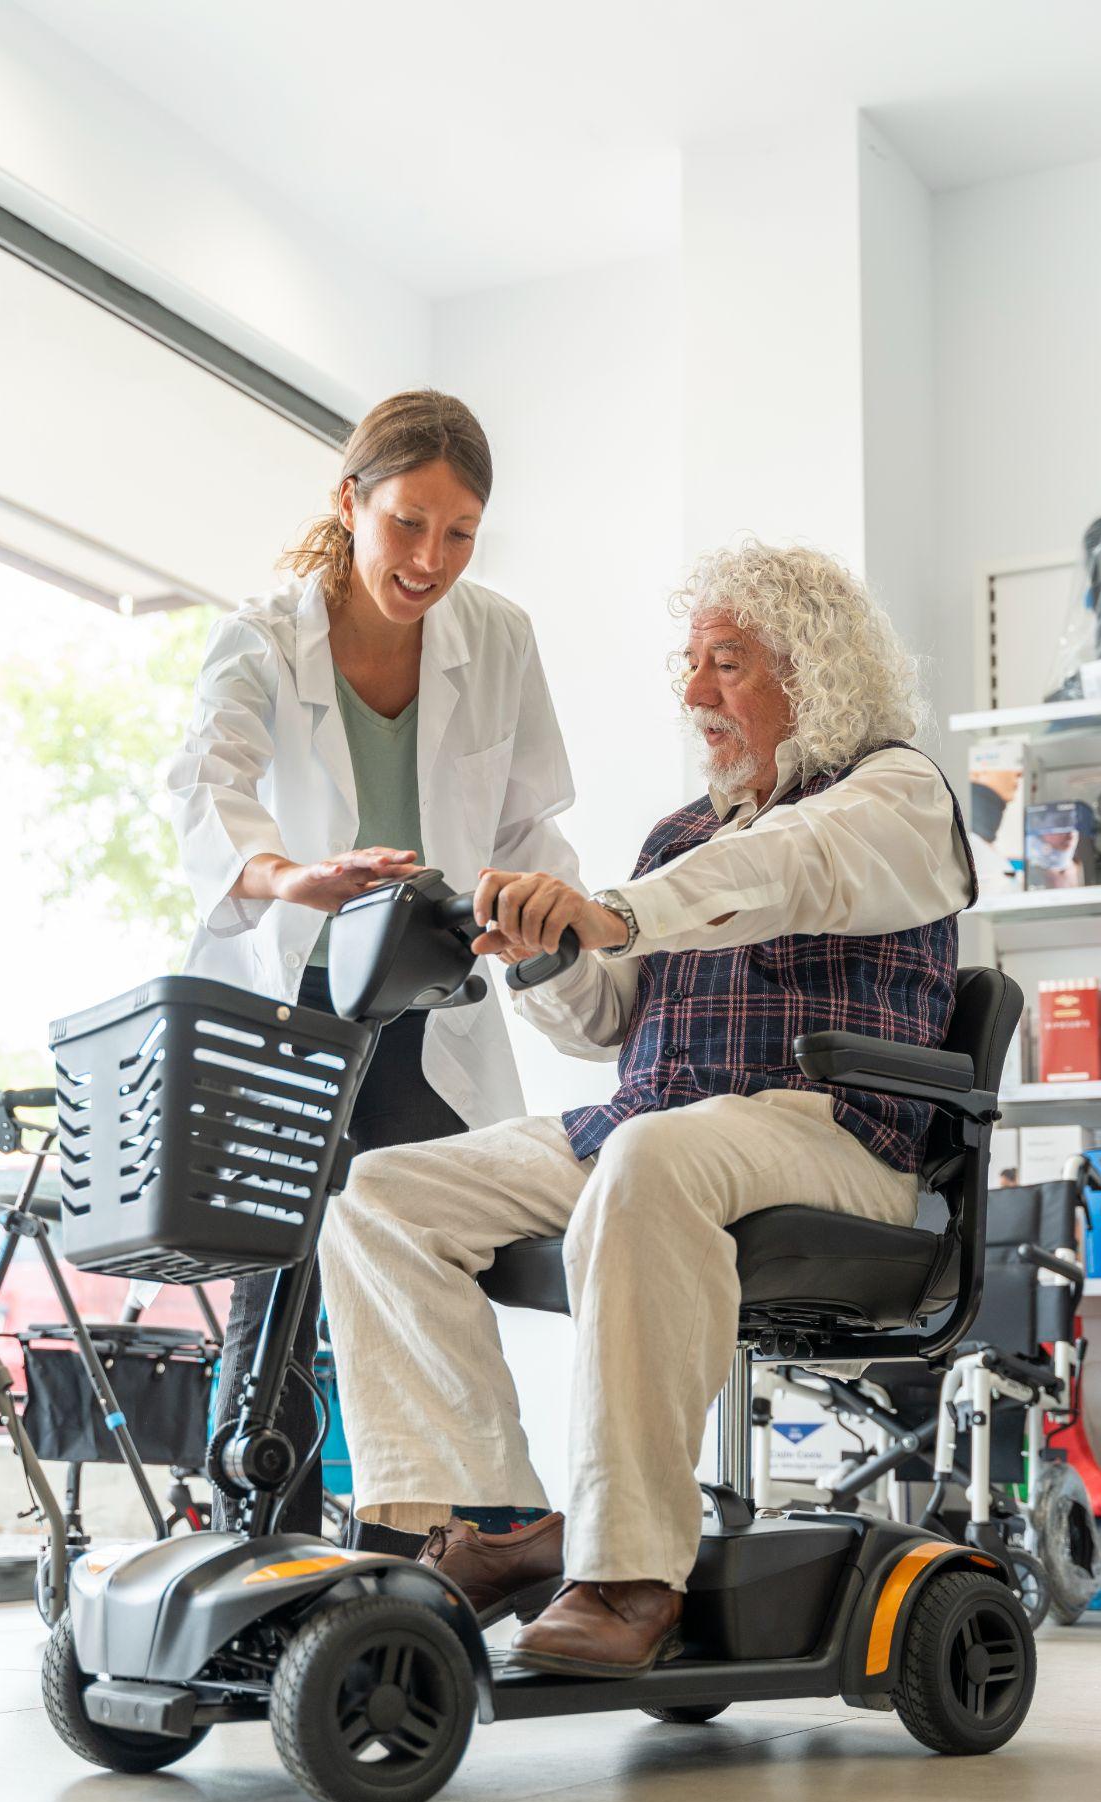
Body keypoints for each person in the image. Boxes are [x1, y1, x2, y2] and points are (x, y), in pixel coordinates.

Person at [319, 541, 978, 1673]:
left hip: (826, 1133)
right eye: (691, 664)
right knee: (380, 1192)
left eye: (726, 662)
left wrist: (612, 910)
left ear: (814, 670)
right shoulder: (681, 836)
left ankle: (629, 1571)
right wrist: (547, 949)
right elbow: (604, 1021)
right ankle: (496, 1522)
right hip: (657, 1126)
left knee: (655, 1155)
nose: (694, 692)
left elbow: (786, 867)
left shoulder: (895, 795)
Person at [167, 389, 580, 1543]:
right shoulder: (262, 636)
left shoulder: (498, 637)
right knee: (277, 1276)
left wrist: (558, 926)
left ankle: (452, 1542)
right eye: (407, 522)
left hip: (426, 1000)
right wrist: (288, 874)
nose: (429, 559)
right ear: (350, 501)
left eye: (459, 534)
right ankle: (265, 1544)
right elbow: (208, 786)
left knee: (420, 1261)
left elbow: (529, 826)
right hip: (294, 999)